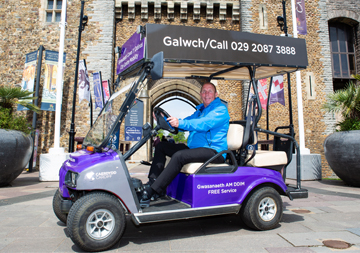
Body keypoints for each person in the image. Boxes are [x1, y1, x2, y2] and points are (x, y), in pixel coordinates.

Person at [141, 82, 230, 206]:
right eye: (204, 91)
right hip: (196, 149)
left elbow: (203, 124)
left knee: (179, 155)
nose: (206, 94)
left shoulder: (220, 110)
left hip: (214, 151)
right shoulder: (199, 111)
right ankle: (152, 182)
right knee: (161, 146)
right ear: (200, 94)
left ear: (216, 94)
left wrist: (180, 123)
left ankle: (153, 190)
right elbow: (186, 122)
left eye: (210, 91)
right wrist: (167, 120)